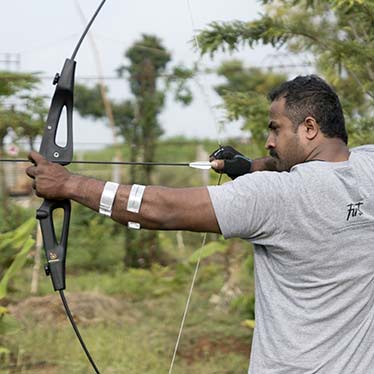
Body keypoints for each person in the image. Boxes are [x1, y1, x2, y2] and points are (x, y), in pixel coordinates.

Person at [26, 75, 374, 373]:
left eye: (275, 129)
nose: (269, 142)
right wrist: (249, 166)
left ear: (310, 127)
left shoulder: (275, 196)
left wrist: (69, 185)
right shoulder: (367, 167)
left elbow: (159, 208)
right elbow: (325, 165)